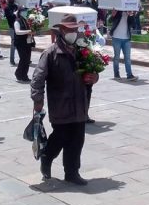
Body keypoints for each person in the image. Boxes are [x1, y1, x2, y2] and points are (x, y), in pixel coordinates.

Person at [31, 14, 99, 184]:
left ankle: (72, 172)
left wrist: (94, 77)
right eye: (69, 29)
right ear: (61, 31)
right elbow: (38, 78)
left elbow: (93, 71)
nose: (73, 33)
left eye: (75, 29)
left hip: (80, 103)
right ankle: (47, 157)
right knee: (61, 136)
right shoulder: (51, 53)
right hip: (60, 103)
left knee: (77, 139)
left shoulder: (83, 51)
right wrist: (38, 99)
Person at [109, 9, 138, 81]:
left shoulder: (130, 13)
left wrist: (131, 16)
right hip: (116, 38)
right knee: (117, 57)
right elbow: (109, 21)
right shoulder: (118, 11)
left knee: (127, 58)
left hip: (126, 39)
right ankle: (116, 74)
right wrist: (112, 15)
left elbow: (134, 26)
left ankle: (129, 75)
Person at [13, 7, 34, 82]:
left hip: (27, 42)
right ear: (20, 12)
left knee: (27, 60)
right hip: (20, 43)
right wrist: (28, 31)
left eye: (26, 11)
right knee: (23, 59)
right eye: (24, 11)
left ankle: (24, 75)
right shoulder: (17, 21)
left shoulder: (25, 20)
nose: (25, 12)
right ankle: (19, 73)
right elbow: (17, 32)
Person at [4, 0, 18, 66]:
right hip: (12, 27)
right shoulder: (7, 8)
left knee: (20, 43)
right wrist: (16, 13)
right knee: (13, 43)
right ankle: (11, 60)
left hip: (18, 26)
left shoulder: (16, 6)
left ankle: (23, 58)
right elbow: (10, 17)